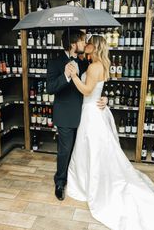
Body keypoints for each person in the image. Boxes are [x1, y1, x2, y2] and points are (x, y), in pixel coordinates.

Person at [66, 35, 154, 230]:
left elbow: (87, 91)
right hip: (98, 111)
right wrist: (103, 98)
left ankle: (89, 184)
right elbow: (97, 90)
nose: (86, 44)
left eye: (89, 42)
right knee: (97, 150)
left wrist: (73, 77)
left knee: (91, 149)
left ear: (94, 47)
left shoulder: (93, 67)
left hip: (90, 114)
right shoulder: (102, 65)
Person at [46, 29, 107, 201]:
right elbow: (49, 88)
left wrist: (104, 97)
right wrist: (66, 75)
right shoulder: (55, 62)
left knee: (80, 150)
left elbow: (96, 83)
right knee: (65, 150)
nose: (86, 43)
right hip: (66, 114)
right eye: (82, 40)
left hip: (87, 114)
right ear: (74, 44)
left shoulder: (86, 62)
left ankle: (79, 180)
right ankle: (60, 181)